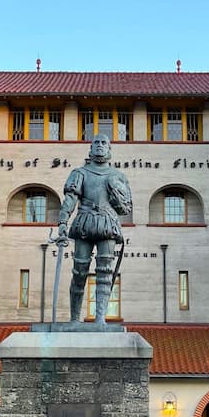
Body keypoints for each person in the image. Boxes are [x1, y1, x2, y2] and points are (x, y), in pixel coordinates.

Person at [56, 134, 132, 325]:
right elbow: (70, 199)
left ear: (109, 149)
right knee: (79, 271)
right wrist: (63, 222)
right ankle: (74, 318)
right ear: (90, 148)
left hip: (107, 224)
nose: (99, 146)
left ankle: (100, 319)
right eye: (96, 143)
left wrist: (117, 193)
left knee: (105, 272)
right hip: (85, 222)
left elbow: (126, 208)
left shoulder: (118, 176)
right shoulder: (79, 172)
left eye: (103, 143)